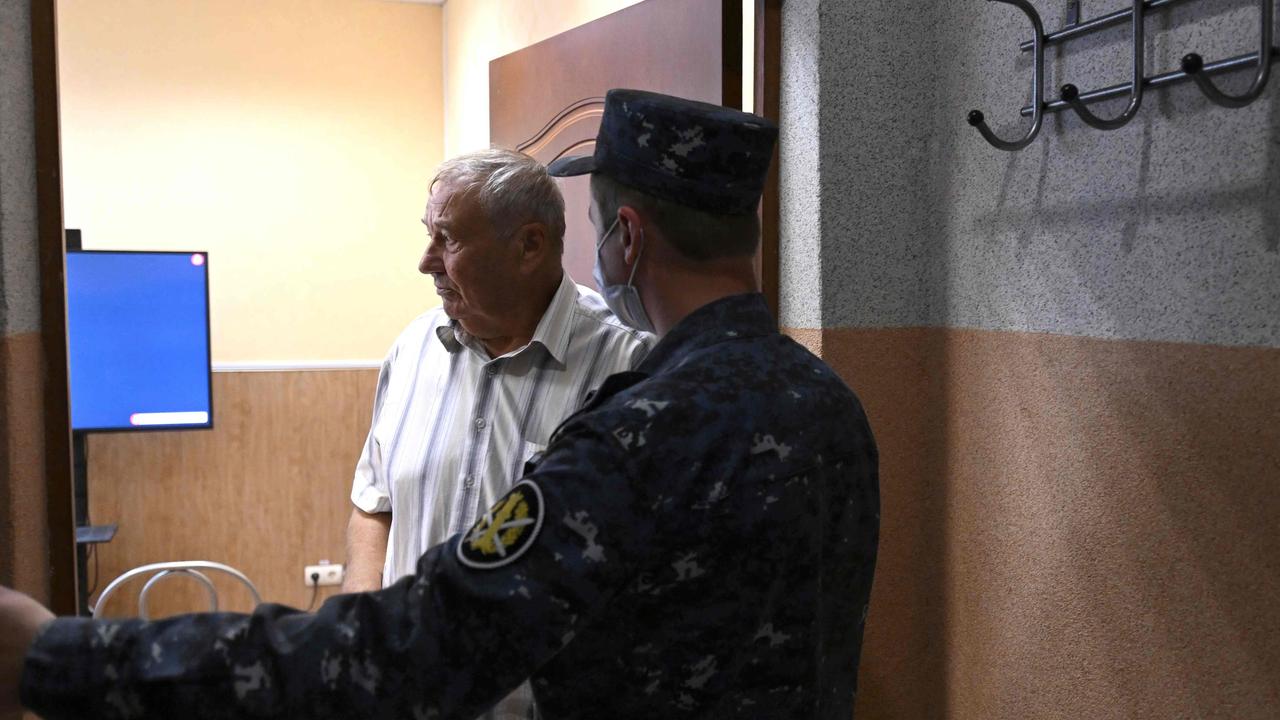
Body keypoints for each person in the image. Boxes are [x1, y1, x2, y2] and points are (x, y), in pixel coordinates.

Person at [2, 89, 880, 720]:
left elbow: (414, 648)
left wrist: (60, 656)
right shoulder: (829, 406)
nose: (428, 262)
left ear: (626, 238)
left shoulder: (633, 430)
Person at [342, 148, 651, 720]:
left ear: (530, 246)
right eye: (429, 236)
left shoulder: (628, 367)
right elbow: (373, 505)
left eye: (448, 240)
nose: (425, 262)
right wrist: (360, 635)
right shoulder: (411, 350)